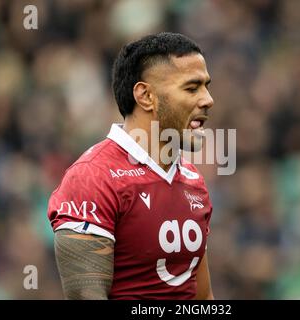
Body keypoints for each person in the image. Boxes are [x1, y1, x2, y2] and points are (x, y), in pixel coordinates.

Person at [47, 32, 215, 299]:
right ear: (146, 96)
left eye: (206, 86)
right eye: (192, 88)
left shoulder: (193, 180)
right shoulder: (92, 178)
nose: (208, 99)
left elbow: (201, 298)